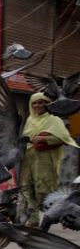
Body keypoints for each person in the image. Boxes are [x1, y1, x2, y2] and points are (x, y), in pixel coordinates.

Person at [20, 91, 77, 226]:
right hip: (28, 159)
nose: (38, 105)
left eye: (42, 102)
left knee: (44, 190)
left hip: (45, 161)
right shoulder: (29, 120)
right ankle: (33, 219)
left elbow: (63, 137)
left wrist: (43, 138)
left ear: (48, 104)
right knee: (27, 189)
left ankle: (56, 216)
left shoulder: (54, 119)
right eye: (35, 103)